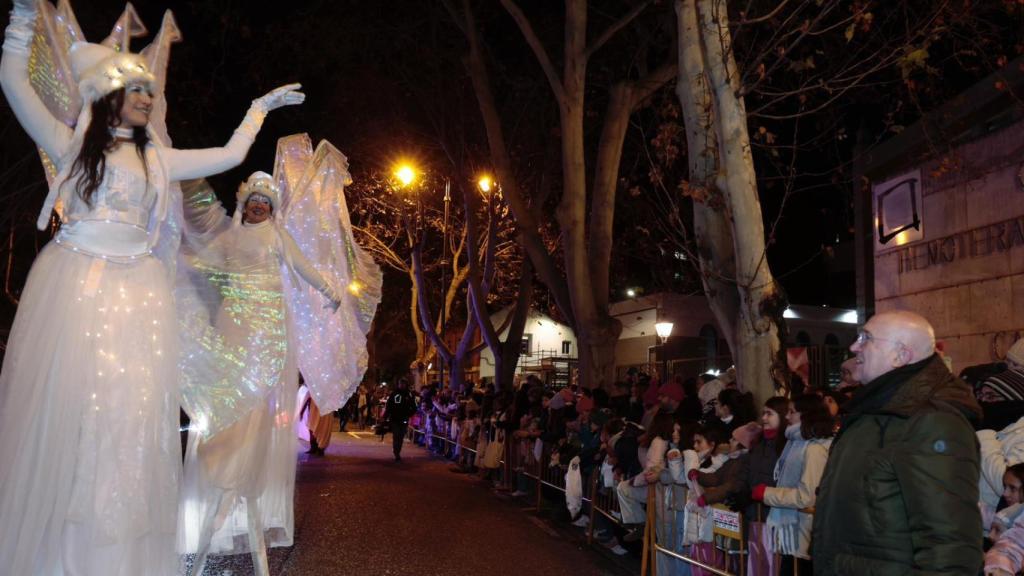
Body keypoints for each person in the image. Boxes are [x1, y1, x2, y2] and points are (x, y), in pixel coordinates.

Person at [0, 3, 305, 573]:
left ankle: (111, 552)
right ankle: (58, 553)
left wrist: (258, 111)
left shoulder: (157, 160)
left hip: (137, 295)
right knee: (71, 412)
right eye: (136, 90)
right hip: (76, 285)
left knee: (125, 419)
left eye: (149, 90)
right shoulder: (71, 145)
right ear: (107, 95)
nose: (147, 98)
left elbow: (231, 156)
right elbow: (15, 84)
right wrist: (20, 20)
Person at [812, 310, 984, 575]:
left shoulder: (932, 422)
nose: (854, 347)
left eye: (866, 338)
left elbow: (949, 545)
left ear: (900, 355)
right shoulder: (874, 411)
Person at [753, 394, 833, 574]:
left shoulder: (814, 449)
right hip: (794, 531)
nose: (787, 416)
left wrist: (767, 493)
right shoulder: (795, 443)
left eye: (792, 411)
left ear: (806, 414)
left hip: (803, 533)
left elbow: (806, 496)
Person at [386, 377, 417, 461]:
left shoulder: (409, 394)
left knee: (401, 436)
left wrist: (409, 414)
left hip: (404, 418)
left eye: (403, 384)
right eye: (400, 383)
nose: (402, 385)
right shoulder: (394, 393)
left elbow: (414, 406)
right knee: (396, 435)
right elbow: (389, 405)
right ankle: (396, 452)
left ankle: (398, 451)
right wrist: (386, 416)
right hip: (394, 418)